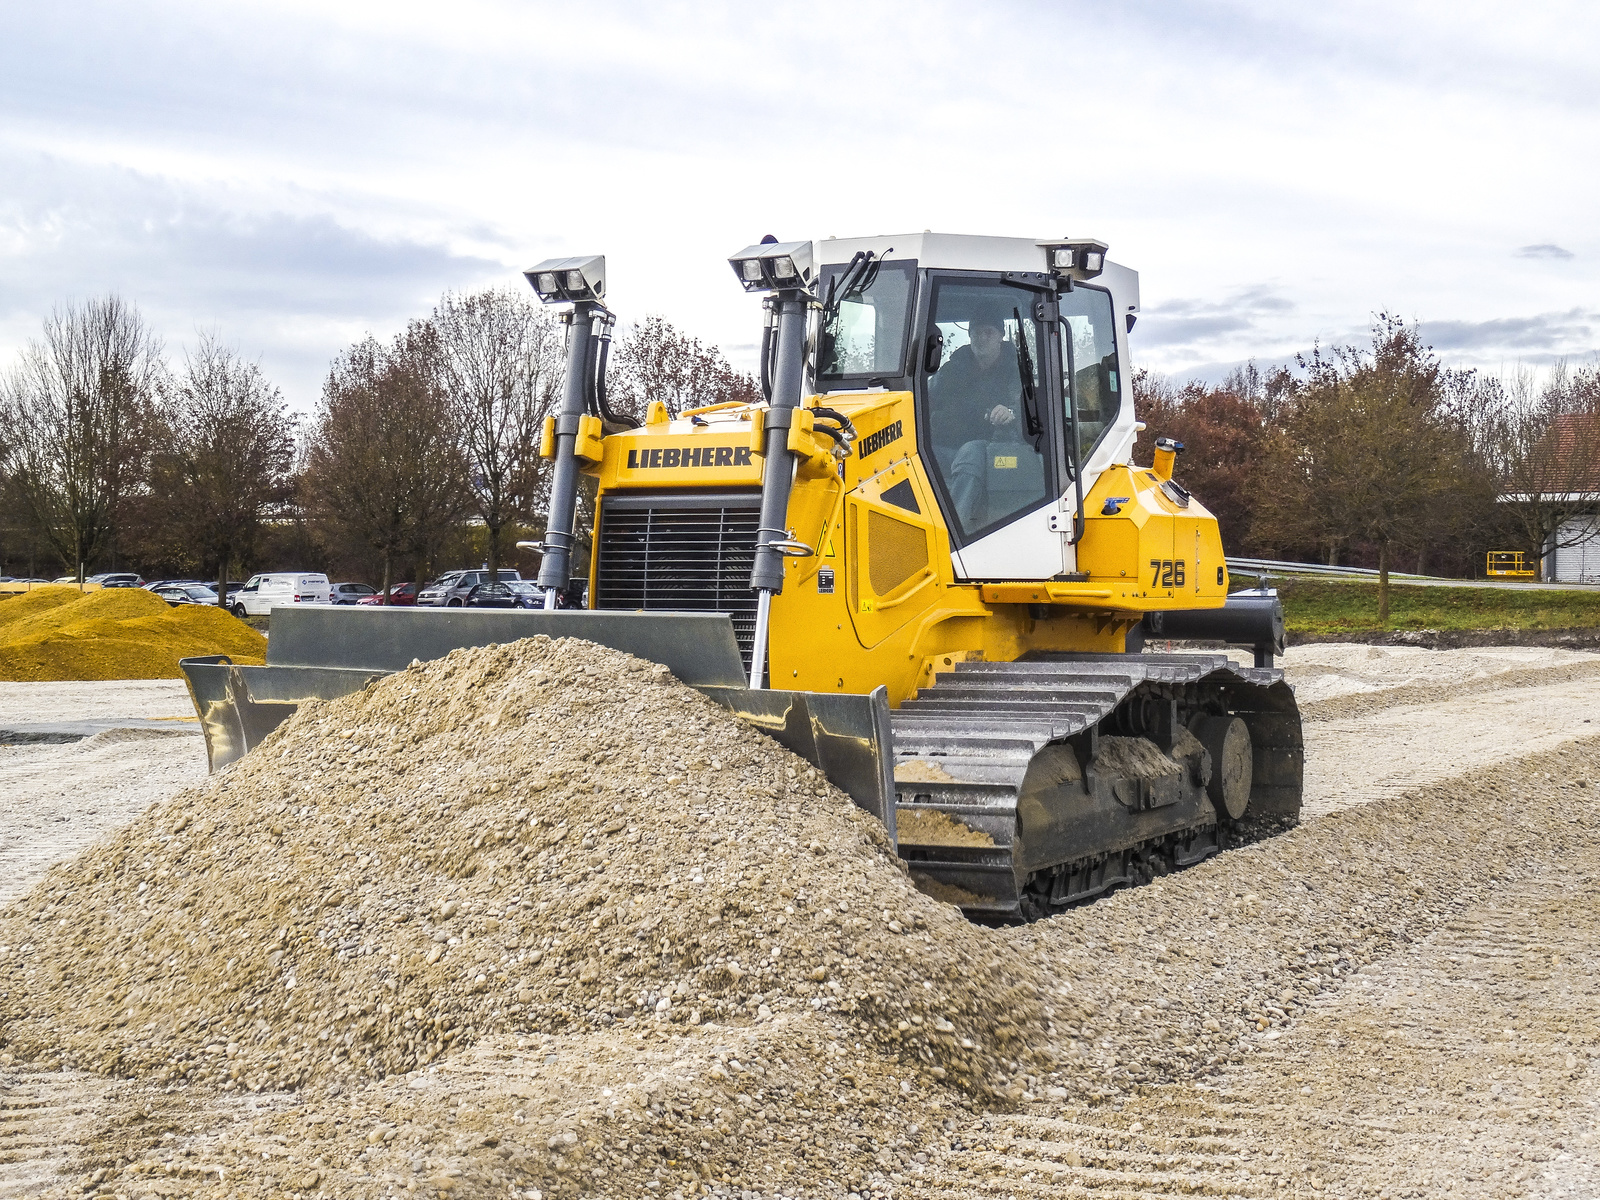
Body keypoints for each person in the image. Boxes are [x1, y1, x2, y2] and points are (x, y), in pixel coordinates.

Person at [928, 306, 1020, 451]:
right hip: (942, 450)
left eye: (988, 332)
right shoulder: (950, 370)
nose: (982, 338)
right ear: (970, 336)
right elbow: (923, 399)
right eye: (977, 333)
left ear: (1000, 336)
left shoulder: (1016, 372)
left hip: (994, 450)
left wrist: (1010, 412)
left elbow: (1028, 408)